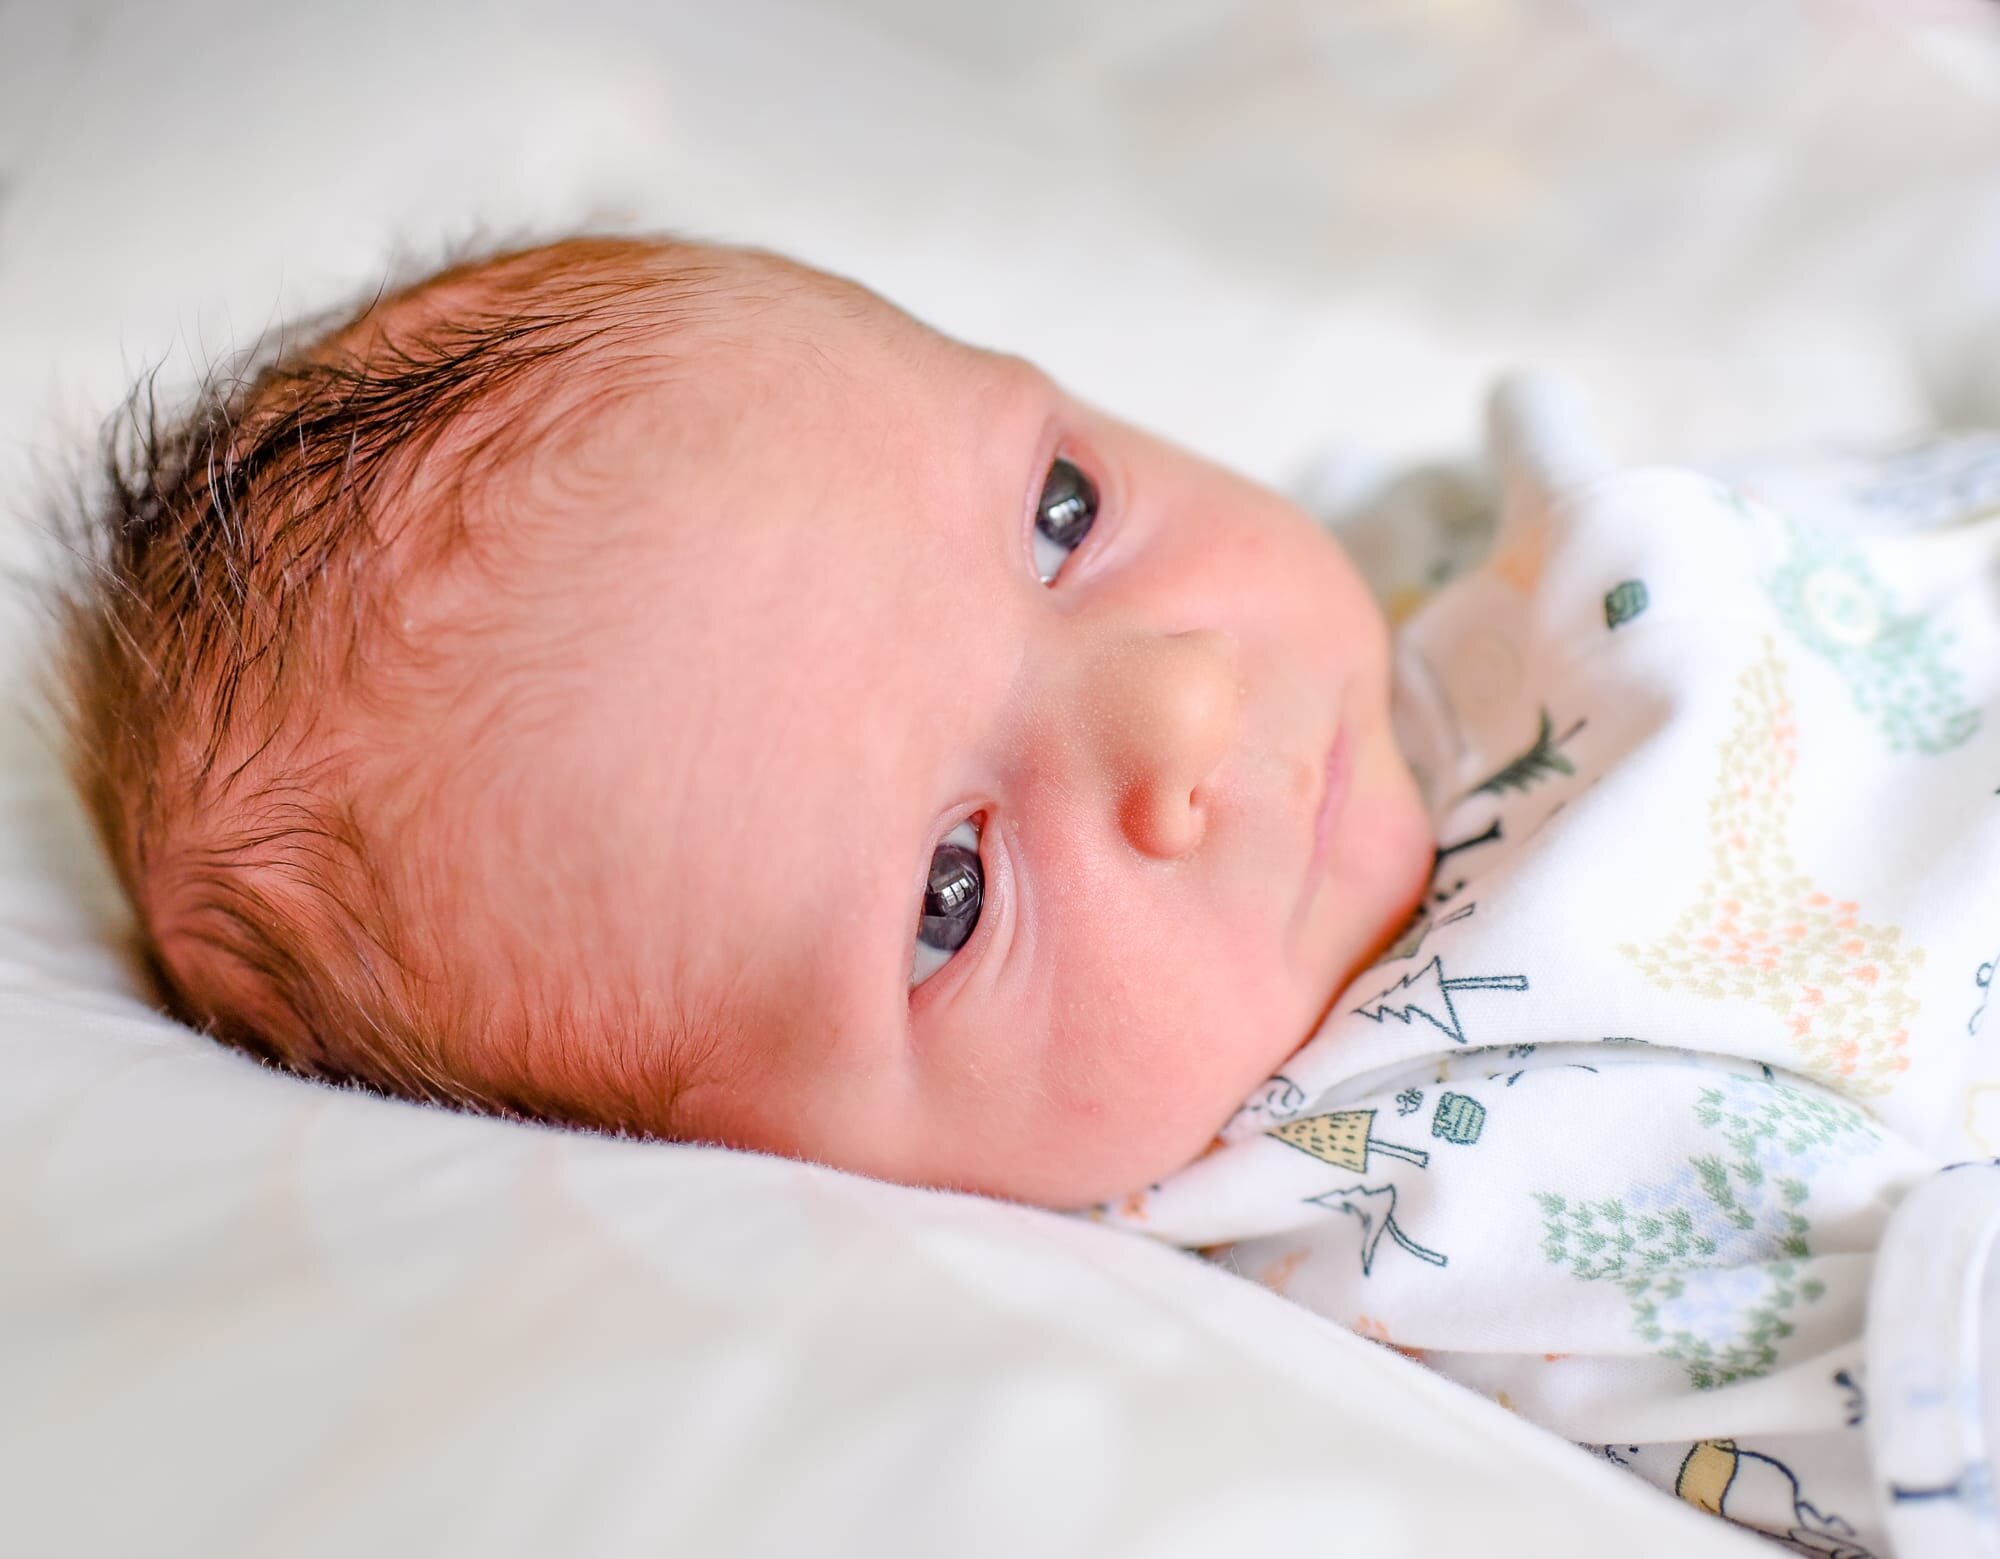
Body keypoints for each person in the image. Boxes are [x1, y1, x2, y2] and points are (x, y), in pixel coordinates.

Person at [52, 234, 2000, 1556]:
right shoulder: (1422, 1198)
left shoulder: (1425, 555)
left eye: (1060, 515)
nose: (1182, 698)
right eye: (950, 896)